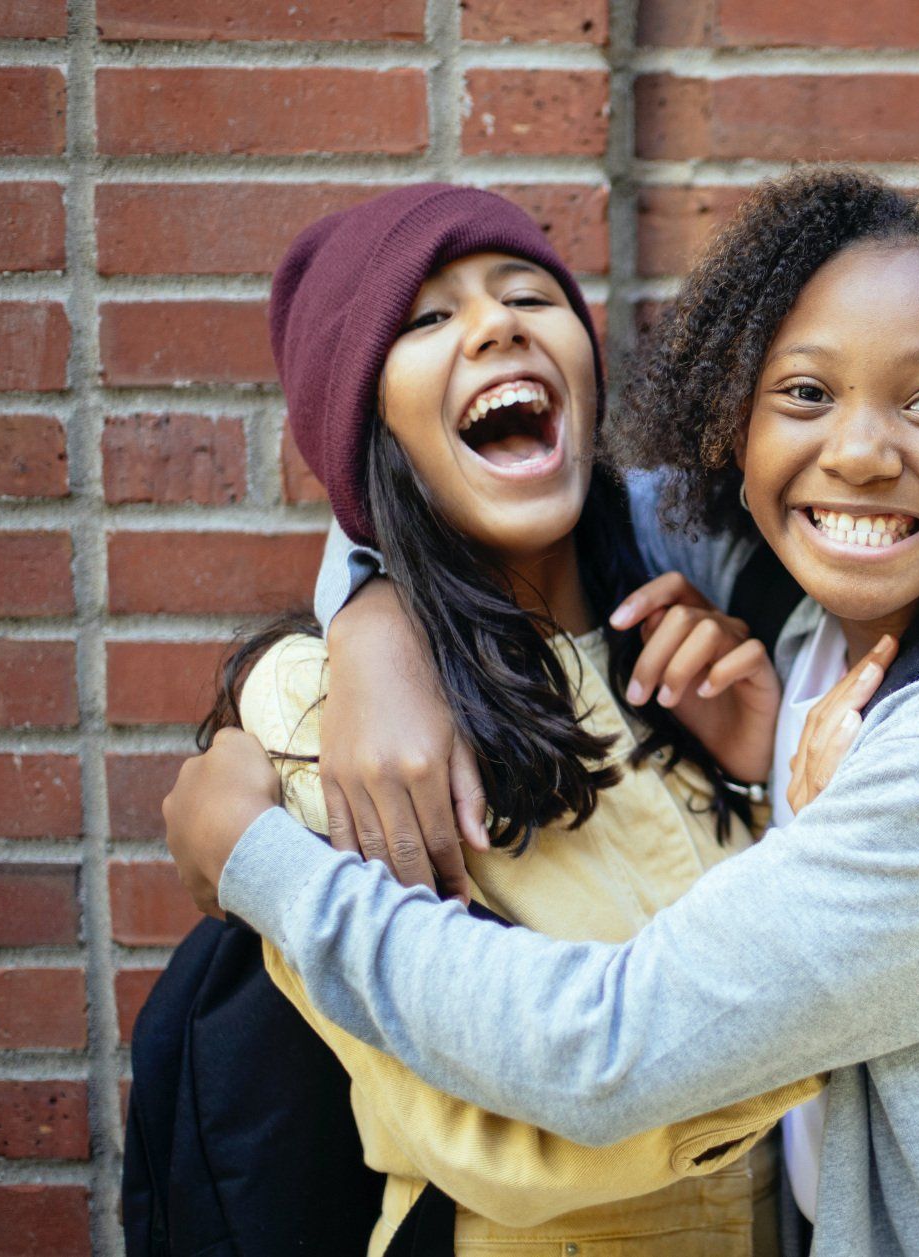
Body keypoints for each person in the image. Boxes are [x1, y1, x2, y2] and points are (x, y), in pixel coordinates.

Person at [167, 169, 919, 1256]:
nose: (858, 455)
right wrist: (371, 624)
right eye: (805, 394)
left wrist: (256, 862)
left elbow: (615, 1049)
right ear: (739, 423)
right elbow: (394, 469)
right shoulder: (771, 590)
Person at [208, 182, 821, 1254]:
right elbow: (488, 1129)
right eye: (428, 319)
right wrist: (863, 999)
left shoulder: (696, 644)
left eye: (528, 297)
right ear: (367, 422)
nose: (496, 326)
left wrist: (775, 780)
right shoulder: (327, 710)